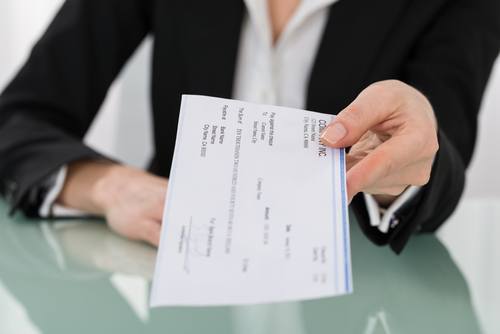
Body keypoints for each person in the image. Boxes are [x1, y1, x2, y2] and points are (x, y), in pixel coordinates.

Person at [0, 0, 499, 253]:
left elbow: (441, 159)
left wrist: (402, 169)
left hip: (357, 292)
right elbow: (18, 117)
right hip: (172, 270)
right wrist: (108, 186)